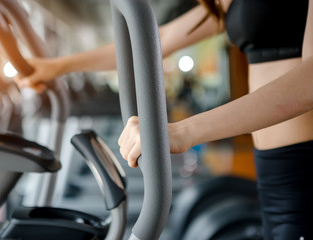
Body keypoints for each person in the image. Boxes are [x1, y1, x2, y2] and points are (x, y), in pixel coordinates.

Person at [17, 0, 313, 239]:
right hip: (275, 169)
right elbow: (152, 41)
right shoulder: (226, 4)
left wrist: (182, 131)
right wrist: (57, 66)